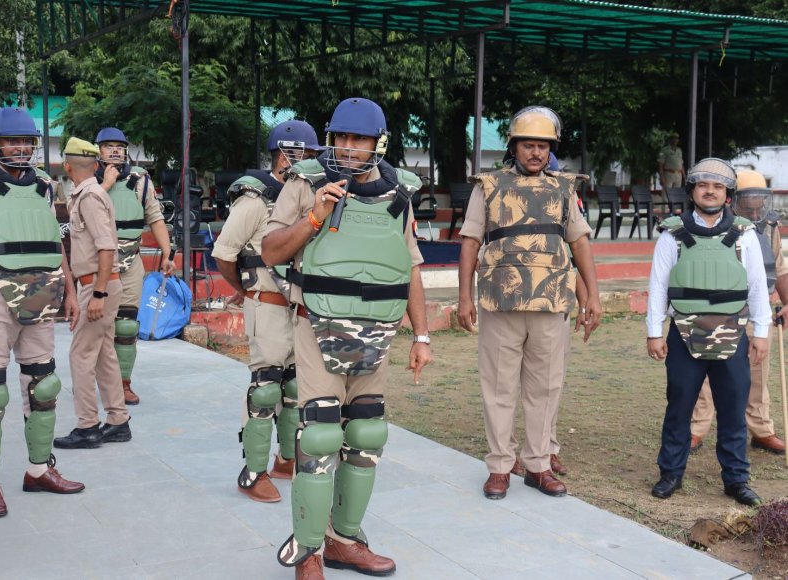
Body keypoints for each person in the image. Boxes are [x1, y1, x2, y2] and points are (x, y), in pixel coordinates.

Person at [263, 97, 432, 579]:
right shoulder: (306, 182)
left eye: (358, 139)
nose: (348, 148)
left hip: (377, 332)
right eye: (340, 138)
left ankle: (344, 540)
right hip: (318, 325)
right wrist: (314, 217)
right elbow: (271, 250)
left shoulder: (399, 194)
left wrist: (421, 335)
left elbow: (410, 269)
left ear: (378, 143)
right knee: (318, 438)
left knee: (365, 436)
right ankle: (309, 553)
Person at [458, 105, 602, 502]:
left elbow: (580, 242)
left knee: (546, 387)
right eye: (528, 145)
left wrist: (593, 295)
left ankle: (538, 465)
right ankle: (500, 467)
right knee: (499, 388)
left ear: (550, 149)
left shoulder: (563, 188)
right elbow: (470, 240)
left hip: (551, 302)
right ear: (514, 147)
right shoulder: (487, 186)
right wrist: (464, 296)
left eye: (542, 146)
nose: (535, 153)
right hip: (500, 303)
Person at [0, 106, 85, 518]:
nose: (21, 148)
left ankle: (39, 470)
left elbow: (51, 241)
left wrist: (72, 290)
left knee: (43, 386)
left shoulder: (43, 184)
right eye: (13, 141)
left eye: (26, 141)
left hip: (42, 293)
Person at [212, 120, 323, 503]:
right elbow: (224, 254)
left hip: (298, 308)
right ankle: (253, 472)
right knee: (265, 392)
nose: (305, 160)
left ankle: (285, 460)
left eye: (310, 154)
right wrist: (246, 289)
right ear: (279, 153)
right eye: (298, 152)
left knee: (294, 390)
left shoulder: (311, 196)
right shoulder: (254, 199)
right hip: (269, 306)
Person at [647, 158, 767, 507]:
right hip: (683, 332)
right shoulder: (672, 234)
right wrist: (654, 332)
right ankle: (670, 473)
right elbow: (658, 285)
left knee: (733, 408)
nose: (710, 191)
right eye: (703, 186)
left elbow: (758, 285)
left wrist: (760, 332)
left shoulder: (745, 234)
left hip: (734, 330)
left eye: (717, 187)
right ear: (693, 191)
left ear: (728, 194)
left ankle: (736, 478)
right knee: (679, 404)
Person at [689, 170, 786, 455]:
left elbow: (779, 268)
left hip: (757, 309)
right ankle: (696, 429)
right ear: (734, 199)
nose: (755, 204)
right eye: (748, 198)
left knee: (758, 372)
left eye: (761, 197)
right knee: (705, 373)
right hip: (718, 310)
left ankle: (761, 429)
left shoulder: (769, 227)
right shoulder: (720, 226)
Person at [53, 137, 132, 450]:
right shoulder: (89, 193)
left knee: (81, 355)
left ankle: (87, 426)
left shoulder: (89, 196)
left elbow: (105, 246)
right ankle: (117, 420)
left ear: (66, 167)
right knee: (103, 354)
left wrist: (97, 293)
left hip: (98, 285)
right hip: (100, 283)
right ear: (97, 165)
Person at [95, 127, 175, 406]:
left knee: (127, 328)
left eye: (120, 146)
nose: (115, 151)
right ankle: (101, 379)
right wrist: (104, 185)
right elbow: (77, 212)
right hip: (97, 263)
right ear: (98, 150)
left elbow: (154, 216)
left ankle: (124, 383)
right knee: (99, 327)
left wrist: (167, 252)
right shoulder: (87, 180)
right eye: (108, 146)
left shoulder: (140, 180)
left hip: (130, 261)